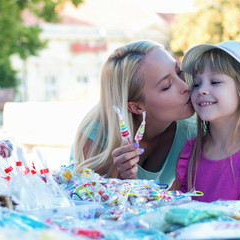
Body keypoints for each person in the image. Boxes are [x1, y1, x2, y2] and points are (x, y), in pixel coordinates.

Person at [72, 40, 196, 188]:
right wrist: (121, 181)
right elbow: (95, 205)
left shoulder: (193, 129)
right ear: (136, 107)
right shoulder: (96, 134)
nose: (186, 86)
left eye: (179, 72)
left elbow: (180, 201)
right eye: (167, 86)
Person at [174, 41, 240, 204]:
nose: (201, 90)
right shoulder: (190, 153)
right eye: (196, 84)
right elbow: (167, 210)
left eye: (215, 82)